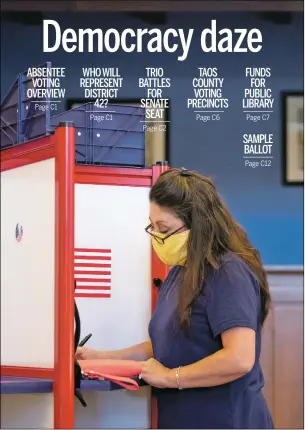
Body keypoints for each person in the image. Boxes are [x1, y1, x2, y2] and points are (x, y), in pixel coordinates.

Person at [76, 167, 274, 429]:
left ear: (198, 225)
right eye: (153, 226)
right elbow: (167, 343)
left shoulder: (227, 272)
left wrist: (171, 377)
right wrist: (100, 357)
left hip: (227, 419)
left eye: (165, 228)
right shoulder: (181, 272)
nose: (157, 236)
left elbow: (239, 358)